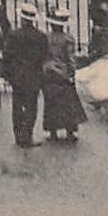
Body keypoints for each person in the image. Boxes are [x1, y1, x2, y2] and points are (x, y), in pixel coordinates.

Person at [2, 2, 47, 149]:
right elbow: (43, 56)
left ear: (22, 19)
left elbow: (7, 56)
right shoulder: (41, 36)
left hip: (18, 75)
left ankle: (18, 135)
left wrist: (7, 73)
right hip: (33, 74)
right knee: (31, 106)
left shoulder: (14, 35)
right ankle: (27, 135)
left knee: (17, 105)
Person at [40, 8, 86, 143]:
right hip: (63, 73)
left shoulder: (46, 38)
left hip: (49, 72)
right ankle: (69, 132)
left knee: (51, 102)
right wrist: (72, 72)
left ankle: (53, 131)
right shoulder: (68, 39)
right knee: (68, 103)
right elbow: (71, 58)